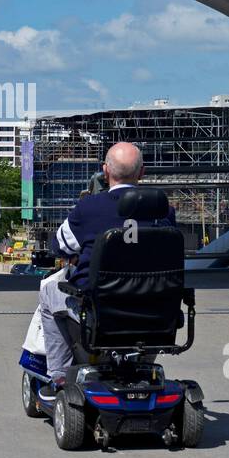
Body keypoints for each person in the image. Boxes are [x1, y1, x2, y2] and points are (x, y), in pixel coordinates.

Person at [39, 142, 176, 388]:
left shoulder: (88, 208)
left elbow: (60, 246)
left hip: (99, 310)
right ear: (142, 173)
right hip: (155, 310)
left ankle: (58, 376)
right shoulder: (164, 211)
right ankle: (141, 363)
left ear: (105, 172)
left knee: (49, 291)